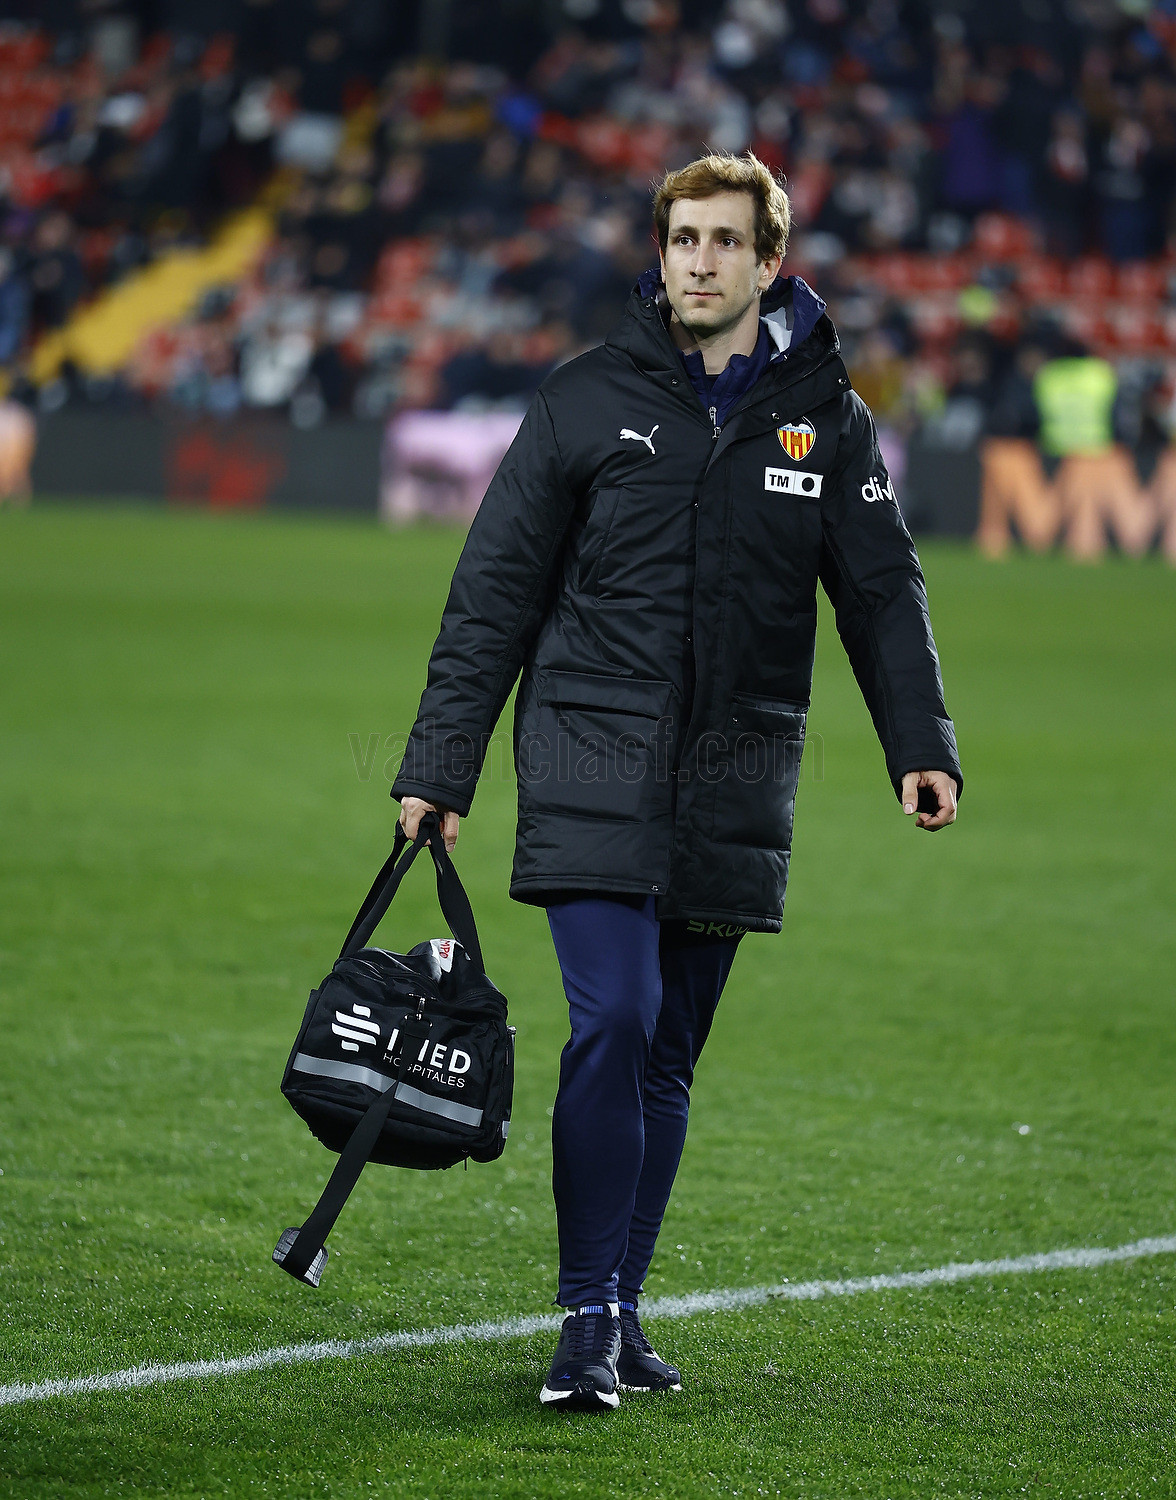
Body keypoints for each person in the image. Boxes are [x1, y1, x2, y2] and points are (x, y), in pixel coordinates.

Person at [392, 152, 961, 1412]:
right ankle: (585, 1317)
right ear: (660, 255)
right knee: (616, 1017)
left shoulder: (829, 419)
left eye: (724, 241)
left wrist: (919, 742)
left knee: (667, 1054)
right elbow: (493, 592)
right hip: (588, 752)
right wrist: (440, 764)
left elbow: (882, 592)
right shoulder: (584, 397)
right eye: (682, 239)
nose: (699, 261)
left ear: (770, 262)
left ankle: (621, 1306)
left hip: (734, 771)